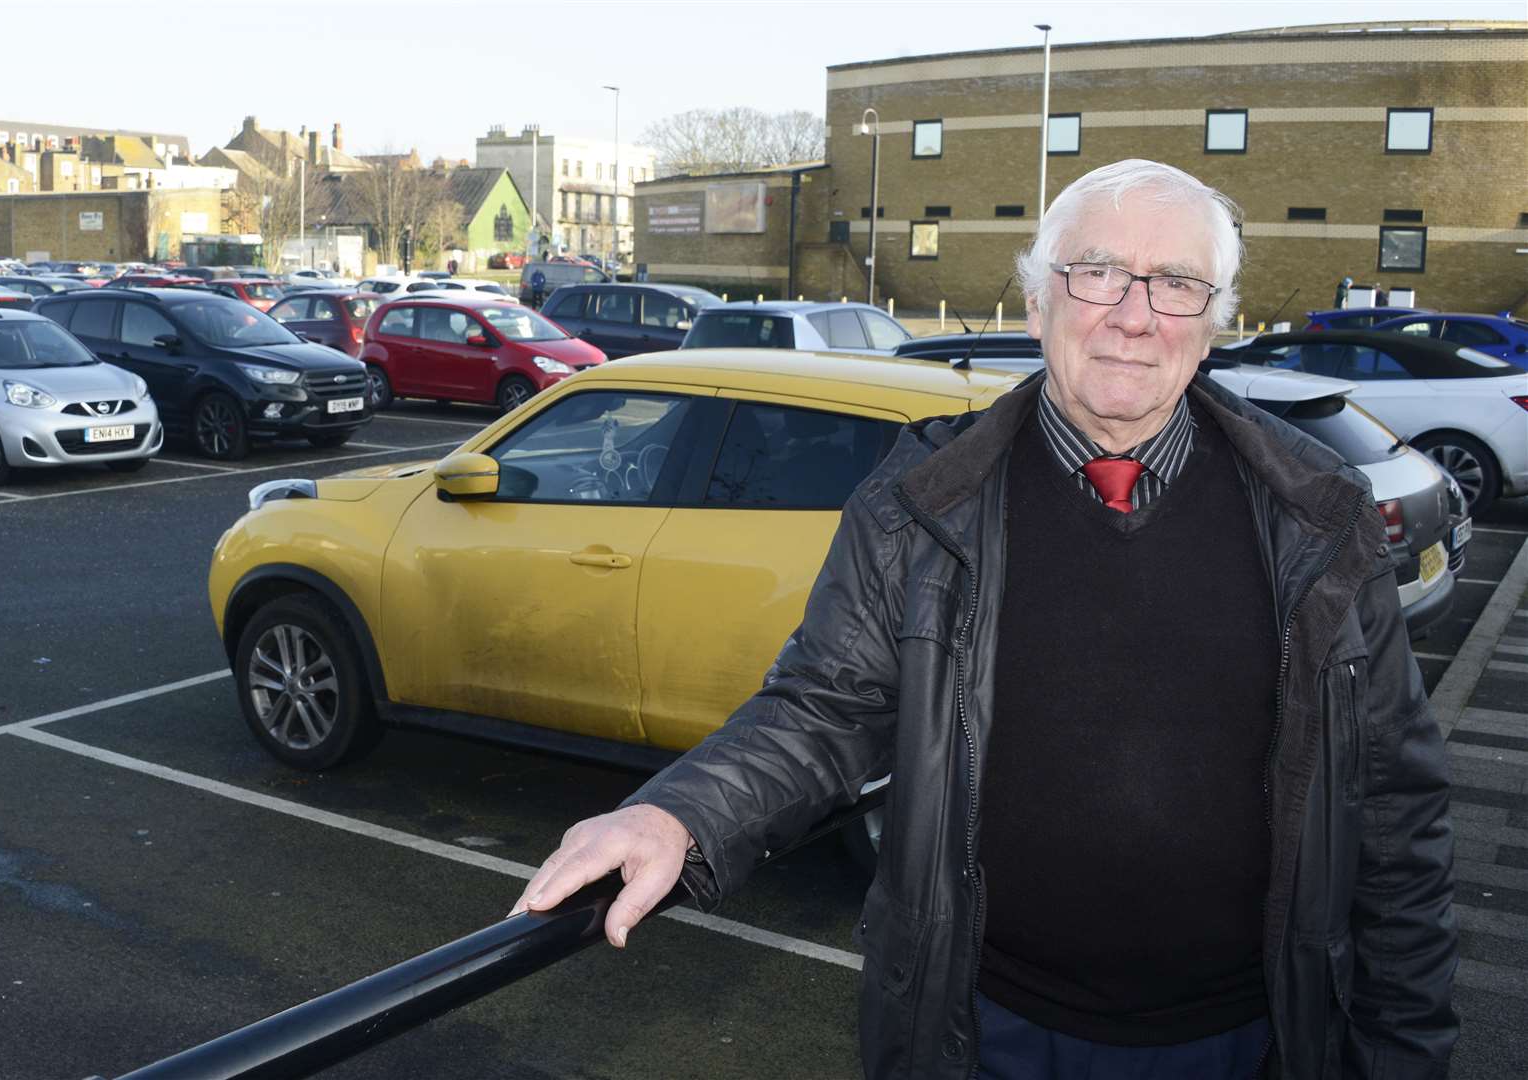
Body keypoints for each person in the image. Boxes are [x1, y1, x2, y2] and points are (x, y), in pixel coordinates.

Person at [512, 159, 1458, 1079]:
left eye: (1174, 283)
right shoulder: (917, 508)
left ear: (1213, 323)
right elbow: (821, 710)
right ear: (1038, 300)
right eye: (1098, 273)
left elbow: (1392, 807)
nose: (1133, 315)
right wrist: (679, 814)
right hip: (986, 1030)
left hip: (1248, 1038)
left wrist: (1403, 1051)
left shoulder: (1316, 515)